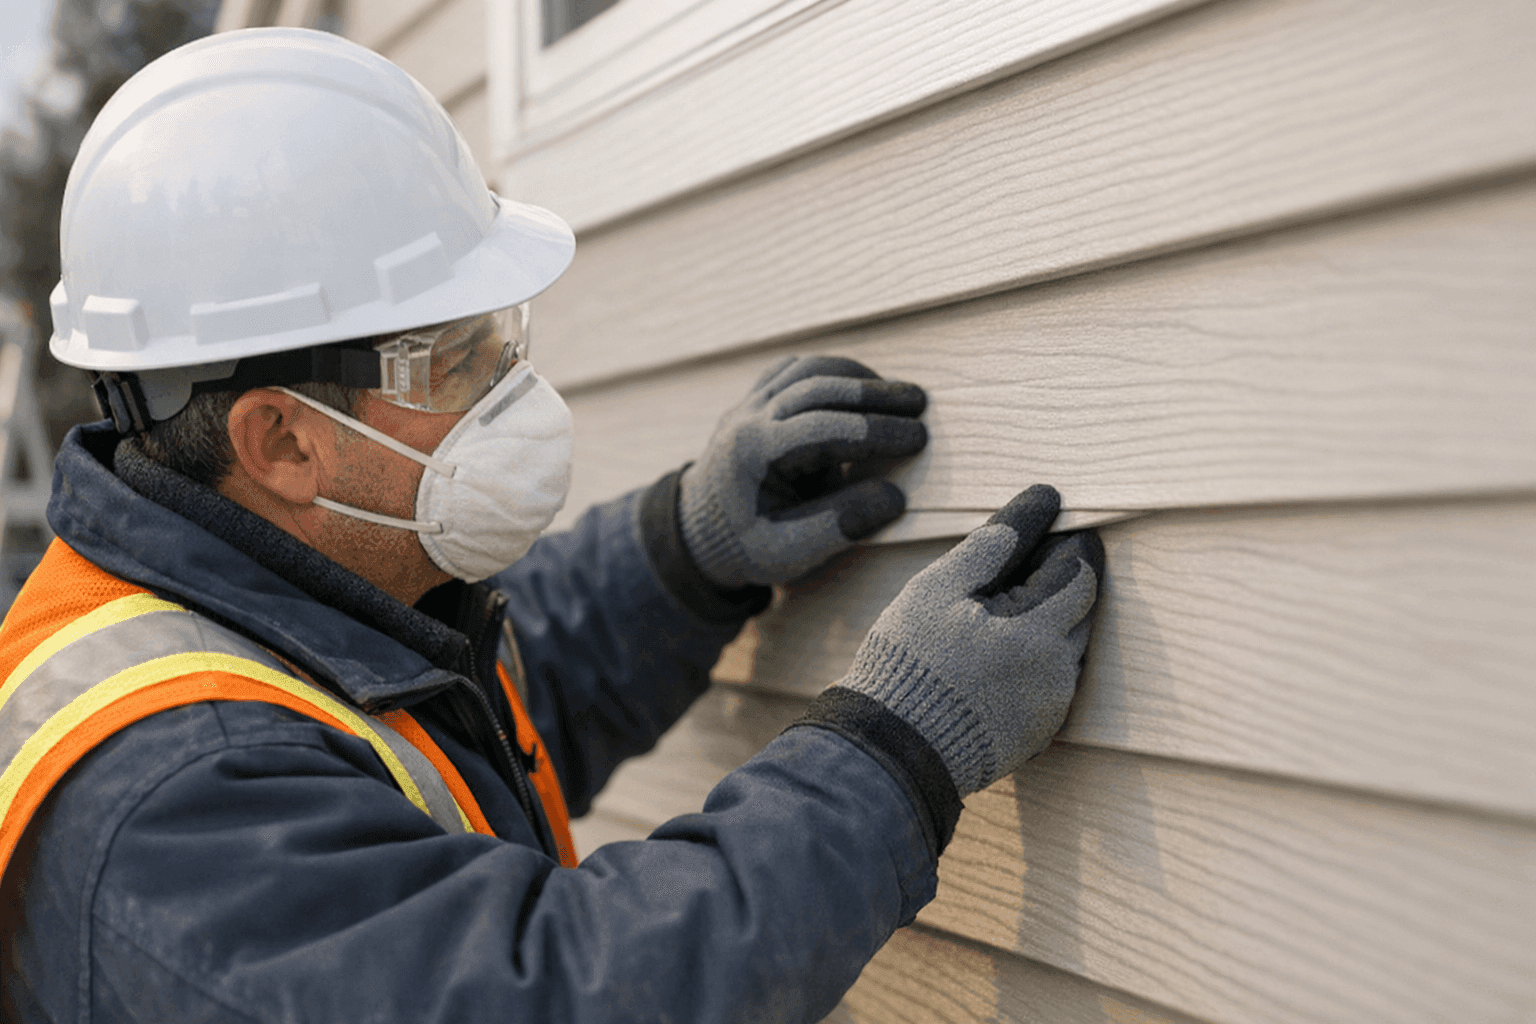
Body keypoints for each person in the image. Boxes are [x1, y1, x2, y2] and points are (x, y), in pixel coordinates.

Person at [0, 28, 1105, 1024]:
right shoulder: (179, 799)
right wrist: (898, 752)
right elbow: (560, 992)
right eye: (452, 359)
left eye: (497, 333)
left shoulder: (245, 607)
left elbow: (466, 735)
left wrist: (684, 554)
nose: (507, 385)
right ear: (282, 440)